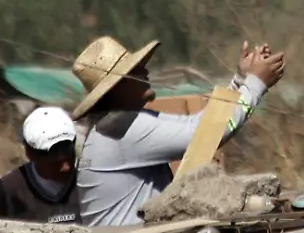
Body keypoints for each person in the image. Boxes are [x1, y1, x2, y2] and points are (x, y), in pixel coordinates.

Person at [72, 36, 285, 226]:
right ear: (117, 88)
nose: (145, 71)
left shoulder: (118, 125)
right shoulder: (124, 131)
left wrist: (241, 81)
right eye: (135, 70)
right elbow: (211, 134)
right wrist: (256, 83)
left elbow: (200, 124)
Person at [0, 106, 82, 224]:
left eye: (68, 149)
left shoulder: (87, 184)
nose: (65, 164)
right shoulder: (8, 190)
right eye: (54, 154)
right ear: (30, 153)